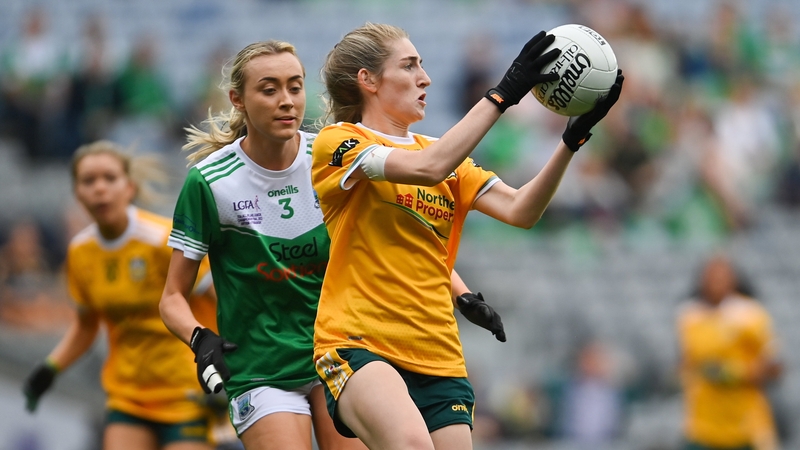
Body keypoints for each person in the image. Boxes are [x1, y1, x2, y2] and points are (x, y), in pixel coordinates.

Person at [160, 39, 500, 450]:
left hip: (340, 354)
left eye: (295, 86)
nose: (286, 101)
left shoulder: (333, 156)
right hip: (261, 369)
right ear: (238, 100)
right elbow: (173, 296)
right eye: (269, 90)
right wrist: (200, 339)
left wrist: (461, 294)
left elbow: (398, 237)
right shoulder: (211, 182)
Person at [309, 23, 623, 450]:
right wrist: (503, 94)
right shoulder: (341, 143)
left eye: (422, 64)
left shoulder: (446, 155)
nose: (426, 77)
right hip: (360, 342)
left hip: (437, 349)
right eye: (409, 65)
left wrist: (571, 141)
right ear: (368, 81)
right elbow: (426, 168)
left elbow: (520, 210)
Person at [21, 140, 218, 450]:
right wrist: (50, 368)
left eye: (109, 178)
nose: (100, 188)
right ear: (77, 193)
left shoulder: (164, 239)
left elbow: (219, 301)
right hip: (128, 396)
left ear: (129, 187)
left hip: (186, 392)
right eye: (89, 181)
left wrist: (228, 368)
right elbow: (86, 325)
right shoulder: (80, 253)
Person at [677, 254, 782, 450]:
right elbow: (687, 362)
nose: (716, 281)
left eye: (722, 275)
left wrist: (733, 373)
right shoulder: (689, 316)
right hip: (702, 426)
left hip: (745, 426)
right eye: (712, 275)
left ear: (734, 279)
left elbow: (775, 366)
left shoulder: (750, 314)